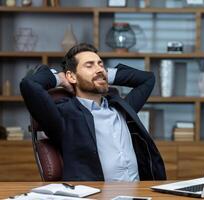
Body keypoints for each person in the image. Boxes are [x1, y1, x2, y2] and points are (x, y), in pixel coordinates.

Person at [20, 43, 166, 181]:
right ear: (72, 76)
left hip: (140, 192)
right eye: (89, 65)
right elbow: (29, 85)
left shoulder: (121, 108)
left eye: (100, 64)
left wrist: (102, 74)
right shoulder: (64, 115)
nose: (99, 69)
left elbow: (147, 79)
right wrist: (60, 78)